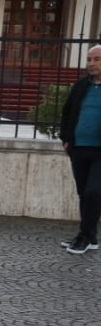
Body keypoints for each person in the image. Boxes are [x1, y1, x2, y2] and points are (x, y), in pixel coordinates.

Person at [58, 44, 101, 254]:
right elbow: (67, 112)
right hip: (79, 147)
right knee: (84, 193)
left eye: (96, 59)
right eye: (89, 59)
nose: (91, 64)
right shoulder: (82, 85)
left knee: (94, 192)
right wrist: (66, 138)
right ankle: (91, 236)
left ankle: (84, 236)